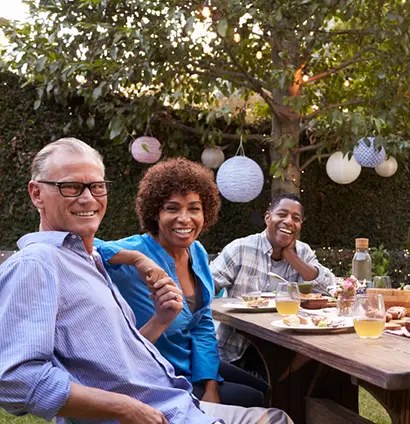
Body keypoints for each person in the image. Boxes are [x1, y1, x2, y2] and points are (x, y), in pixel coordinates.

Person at [0, 138, 291, 424]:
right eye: (71, 186)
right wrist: (124, 408)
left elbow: (121, 356)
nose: (88, 198)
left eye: (97, 186)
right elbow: (13, 379)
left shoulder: (89, 262)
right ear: (37, 194)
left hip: (170, 395)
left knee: (271, 403)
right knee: (274, 412)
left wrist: (163, 319)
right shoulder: (38, 263)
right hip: (157, 404)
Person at [95, 158, 268, 408]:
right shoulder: (135, 251)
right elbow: (77, 244)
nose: (184, 219)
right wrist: (136, 259)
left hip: (191, 361)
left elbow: (202, 324)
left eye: (194, 208)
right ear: (156, 212)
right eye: (172, 208)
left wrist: (209, 384)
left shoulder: (196, 251)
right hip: (158, 373)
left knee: (263, 387)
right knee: (255, 398)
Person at [210, 193, 335, 364]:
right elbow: (205, 288)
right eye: (282, 214)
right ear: (268, 217)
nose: (289, 221)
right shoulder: (240, 249)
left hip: (285, 349)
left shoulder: (303, 252)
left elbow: (330, 289)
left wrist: (292, 257)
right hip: (234, 349)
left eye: (296, 218)